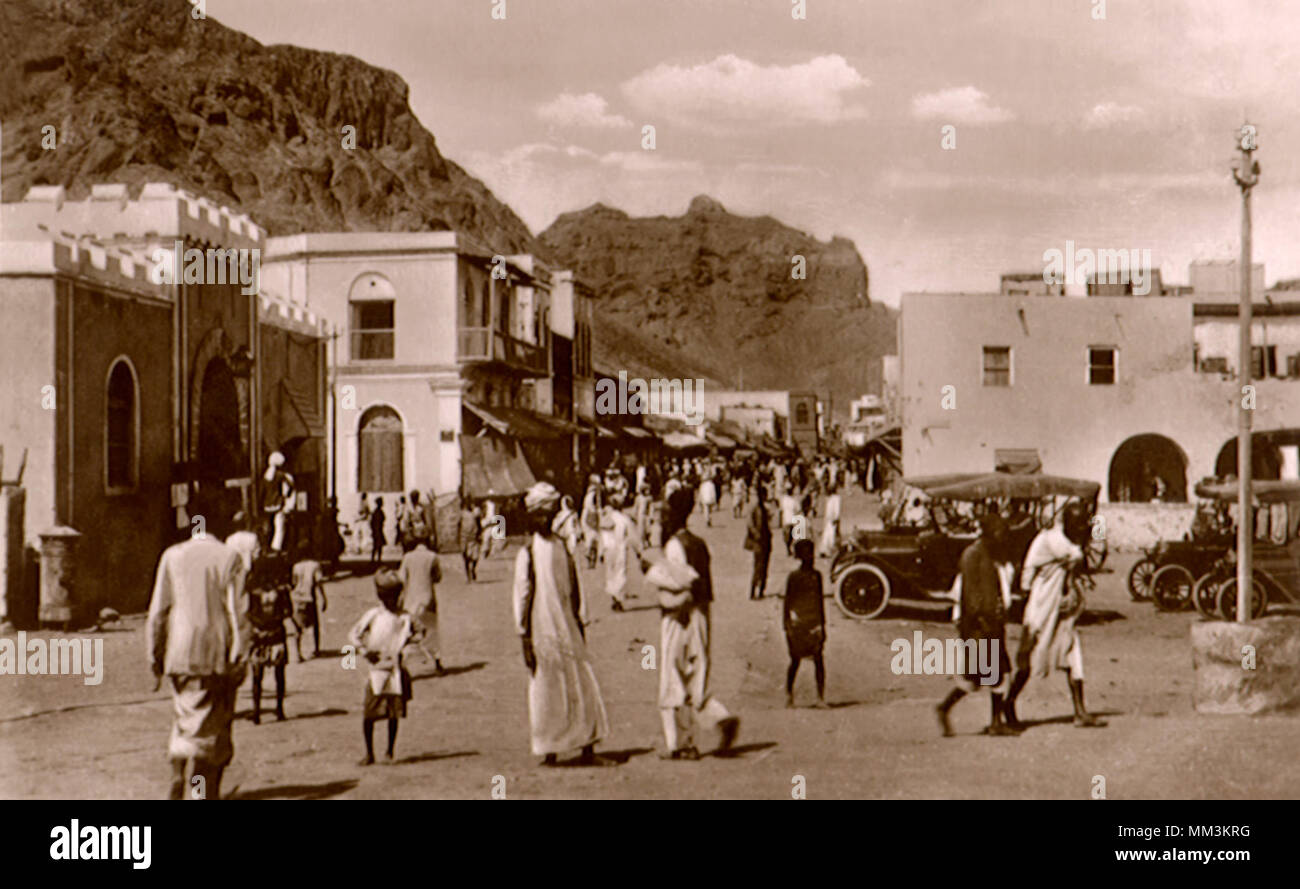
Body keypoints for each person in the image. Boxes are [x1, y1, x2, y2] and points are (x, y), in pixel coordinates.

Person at [146, 506, 249, 800]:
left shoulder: (172, 555)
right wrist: (240, 655)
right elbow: (237, 611)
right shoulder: (229, 557)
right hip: (216, 652)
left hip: (179, 652)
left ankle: (178, 774)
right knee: (212, 728)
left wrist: (154, 657)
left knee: (185, 716)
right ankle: (201, 791)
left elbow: (157, 612)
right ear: (222, 523)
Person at [512, 482, 611, 766]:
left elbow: (575, 586)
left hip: (567, 626)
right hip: (541, 629)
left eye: (547, 514)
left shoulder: (563, 548)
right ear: (531, 517)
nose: (543, 520)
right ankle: (550, 750)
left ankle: (587, 747)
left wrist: (581, 621)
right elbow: (521, 596)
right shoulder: (527, 553)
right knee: (546, 690)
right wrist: (524, 639)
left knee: (580, 683)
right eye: (538, 515)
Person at [652, 487, 740, 759]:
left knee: (672, 679)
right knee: (696, 677)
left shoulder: (675, 546)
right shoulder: (699, 543)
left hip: (681, 617)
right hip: (702, 615)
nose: (663, 520)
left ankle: (680, 745)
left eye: (667, 514)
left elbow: (680, 585)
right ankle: (719, 718)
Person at [1003, 503, 1106, 729]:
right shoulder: (1052, 539)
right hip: (1043, 603)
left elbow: (1094, 543)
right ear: (1066, 522)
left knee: (1072, 653)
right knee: (1031, 656)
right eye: (1077, 524)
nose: (1081, 529)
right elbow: (1076, 555)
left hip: (1062, 605)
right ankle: (1008, 703)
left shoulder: (1068, 537)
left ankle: (1080, 711)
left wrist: (1097, 524)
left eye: (1083, 524)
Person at [936, 514, 1017, 737]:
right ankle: (992, 722)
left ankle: (990, 720)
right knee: (989, 675)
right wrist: (982, 626)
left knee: (987, 675)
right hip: (980, 627)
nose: (1003, 539)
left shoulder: (988, 554)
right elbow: (972, 598)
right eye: (1000, 534)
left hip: (989, 625)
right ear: (989, 534)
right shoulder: (974, 555)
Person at [348, 570, 423, 765]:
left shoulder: (405, 617)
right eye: (388, 596)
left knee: (393, 713)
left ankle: (389, 751)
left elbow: (422, 631)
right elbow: (353, 635)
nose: (392, 600)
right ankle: (369, 753)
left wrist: (407, 644)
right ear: (381, 596)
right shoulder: (373, 615)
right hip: (377, 669)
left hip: (396, 668)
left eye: (395, 596)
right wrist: (365, 652)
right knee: (369, 713)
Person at [246, 555, 291, 724]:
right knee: (279, 674)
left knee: (257, 676)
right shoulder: (281, 592)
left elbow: (249, 614)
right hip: (277, 634)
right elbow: (288, 612)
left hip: (259, 636)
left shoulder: (253, 593)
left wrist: (260, 624)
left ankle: (257, 711)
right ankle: (279, 709)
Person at [783, 539, 827, 708]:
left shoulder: (817, 576)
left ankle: (820, 697)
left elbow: (820, 601)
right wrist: (786, 625)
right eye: (808, 555)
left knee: (818, 660)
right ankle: (789, 695)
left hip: (813, 622)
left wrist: (823, 624)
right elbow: (787, 602)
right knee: (795, 661)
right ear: (801, 557)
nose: (811, 558)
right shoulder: (794, 577)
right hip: (798, 623)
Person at [399, 535, 444, 674]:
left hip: (410, 600)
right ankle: (437, 663)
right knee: (431, 631)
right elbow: (438, 577)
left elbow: (401, 578)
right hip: (428, 598)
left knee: (408, 632)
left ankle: (402, 665)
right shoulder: (433, 557)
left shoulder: (407, 557)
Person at [601, 492, 641, 612]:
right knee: (620, 574)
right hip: (620, 549)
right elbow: (633, 536)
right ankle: (617, 600)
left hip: (608, 549)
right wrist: (638, 549)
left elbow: (602, 536)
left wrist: (601, 551)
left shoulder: (606, 518)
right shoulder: (624, 519)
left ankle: (614, 597)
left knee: (610, 574)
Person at [290, 543, 328, 661]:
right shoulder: (315, 565)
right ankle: (315, 649)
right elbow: (318, 583)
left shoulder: (296, 566)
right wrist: (324, 598)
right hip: (309, 598)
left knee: (297, 627)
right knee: (314, 624)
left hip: (297, 598)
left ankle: (297, 653)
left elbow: (293, 582)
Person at [744, 483, 773, 599]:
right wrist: (756, 534)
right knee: (758, 566)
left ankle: (761, 590)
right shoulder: (754, 508)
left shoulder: (765, 508)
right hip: (759, 541)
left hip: (766, 540)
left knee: (764, 566)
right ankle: (753, 590)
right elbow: (749, 523)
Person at [263, 451, 295, 552]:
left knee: (269, 526)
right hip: (278, 503)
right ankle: (277, 547)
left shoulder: (266, 475)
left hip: (268, 504)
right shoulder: (282, 476)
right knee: (279, 527)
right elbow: (288, 489)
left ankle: (266, 544)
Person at [580, 477, 603, 568]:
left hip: (588, 518)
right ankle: (592, 558)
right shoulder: (593, 495)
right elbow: (596, 507)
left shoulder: (589, 494)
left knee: (591, 540)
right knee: (593, 539)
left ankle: (591, 559)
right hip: (591, 518)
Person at [459, 500, 482, 582]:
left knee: (475, 557)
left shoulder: (475, 514)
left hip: (473, 538)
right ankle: (468, 575)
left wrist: (479, 535)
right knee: (466, 558)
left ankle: (473, 569)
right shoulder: (462, 514)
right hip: (464, 538)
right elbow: (458, 525)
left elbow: (479, 525)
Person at [818, 483, 842, 558]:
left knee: (831, 535)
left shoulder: (836, 498)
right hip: (828, 519)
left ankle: (830, 551)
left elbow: (837, 509)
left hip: (833, 520)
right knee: (826, 535)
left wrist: (836, 518)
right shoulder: (829, 498)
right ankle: (824, 550)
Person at [779, 486, 798, 557]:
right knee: (791, 535)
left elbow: (781, 510)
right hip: (792, 519)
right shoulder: (793, 501)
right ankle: (789, 548)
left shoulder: (783, 500)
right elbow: (797, 509)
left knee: (786, 535)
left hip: (785, 519)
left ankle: (788, 548)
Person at [369, 496, 387, 565]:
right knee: (377, 546)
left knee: (378, 546)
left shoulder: (377, 512)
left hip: (378, 530)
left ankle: (377, 559)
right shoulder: (377, 512)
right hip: (377, 531)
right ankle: (374, 559)